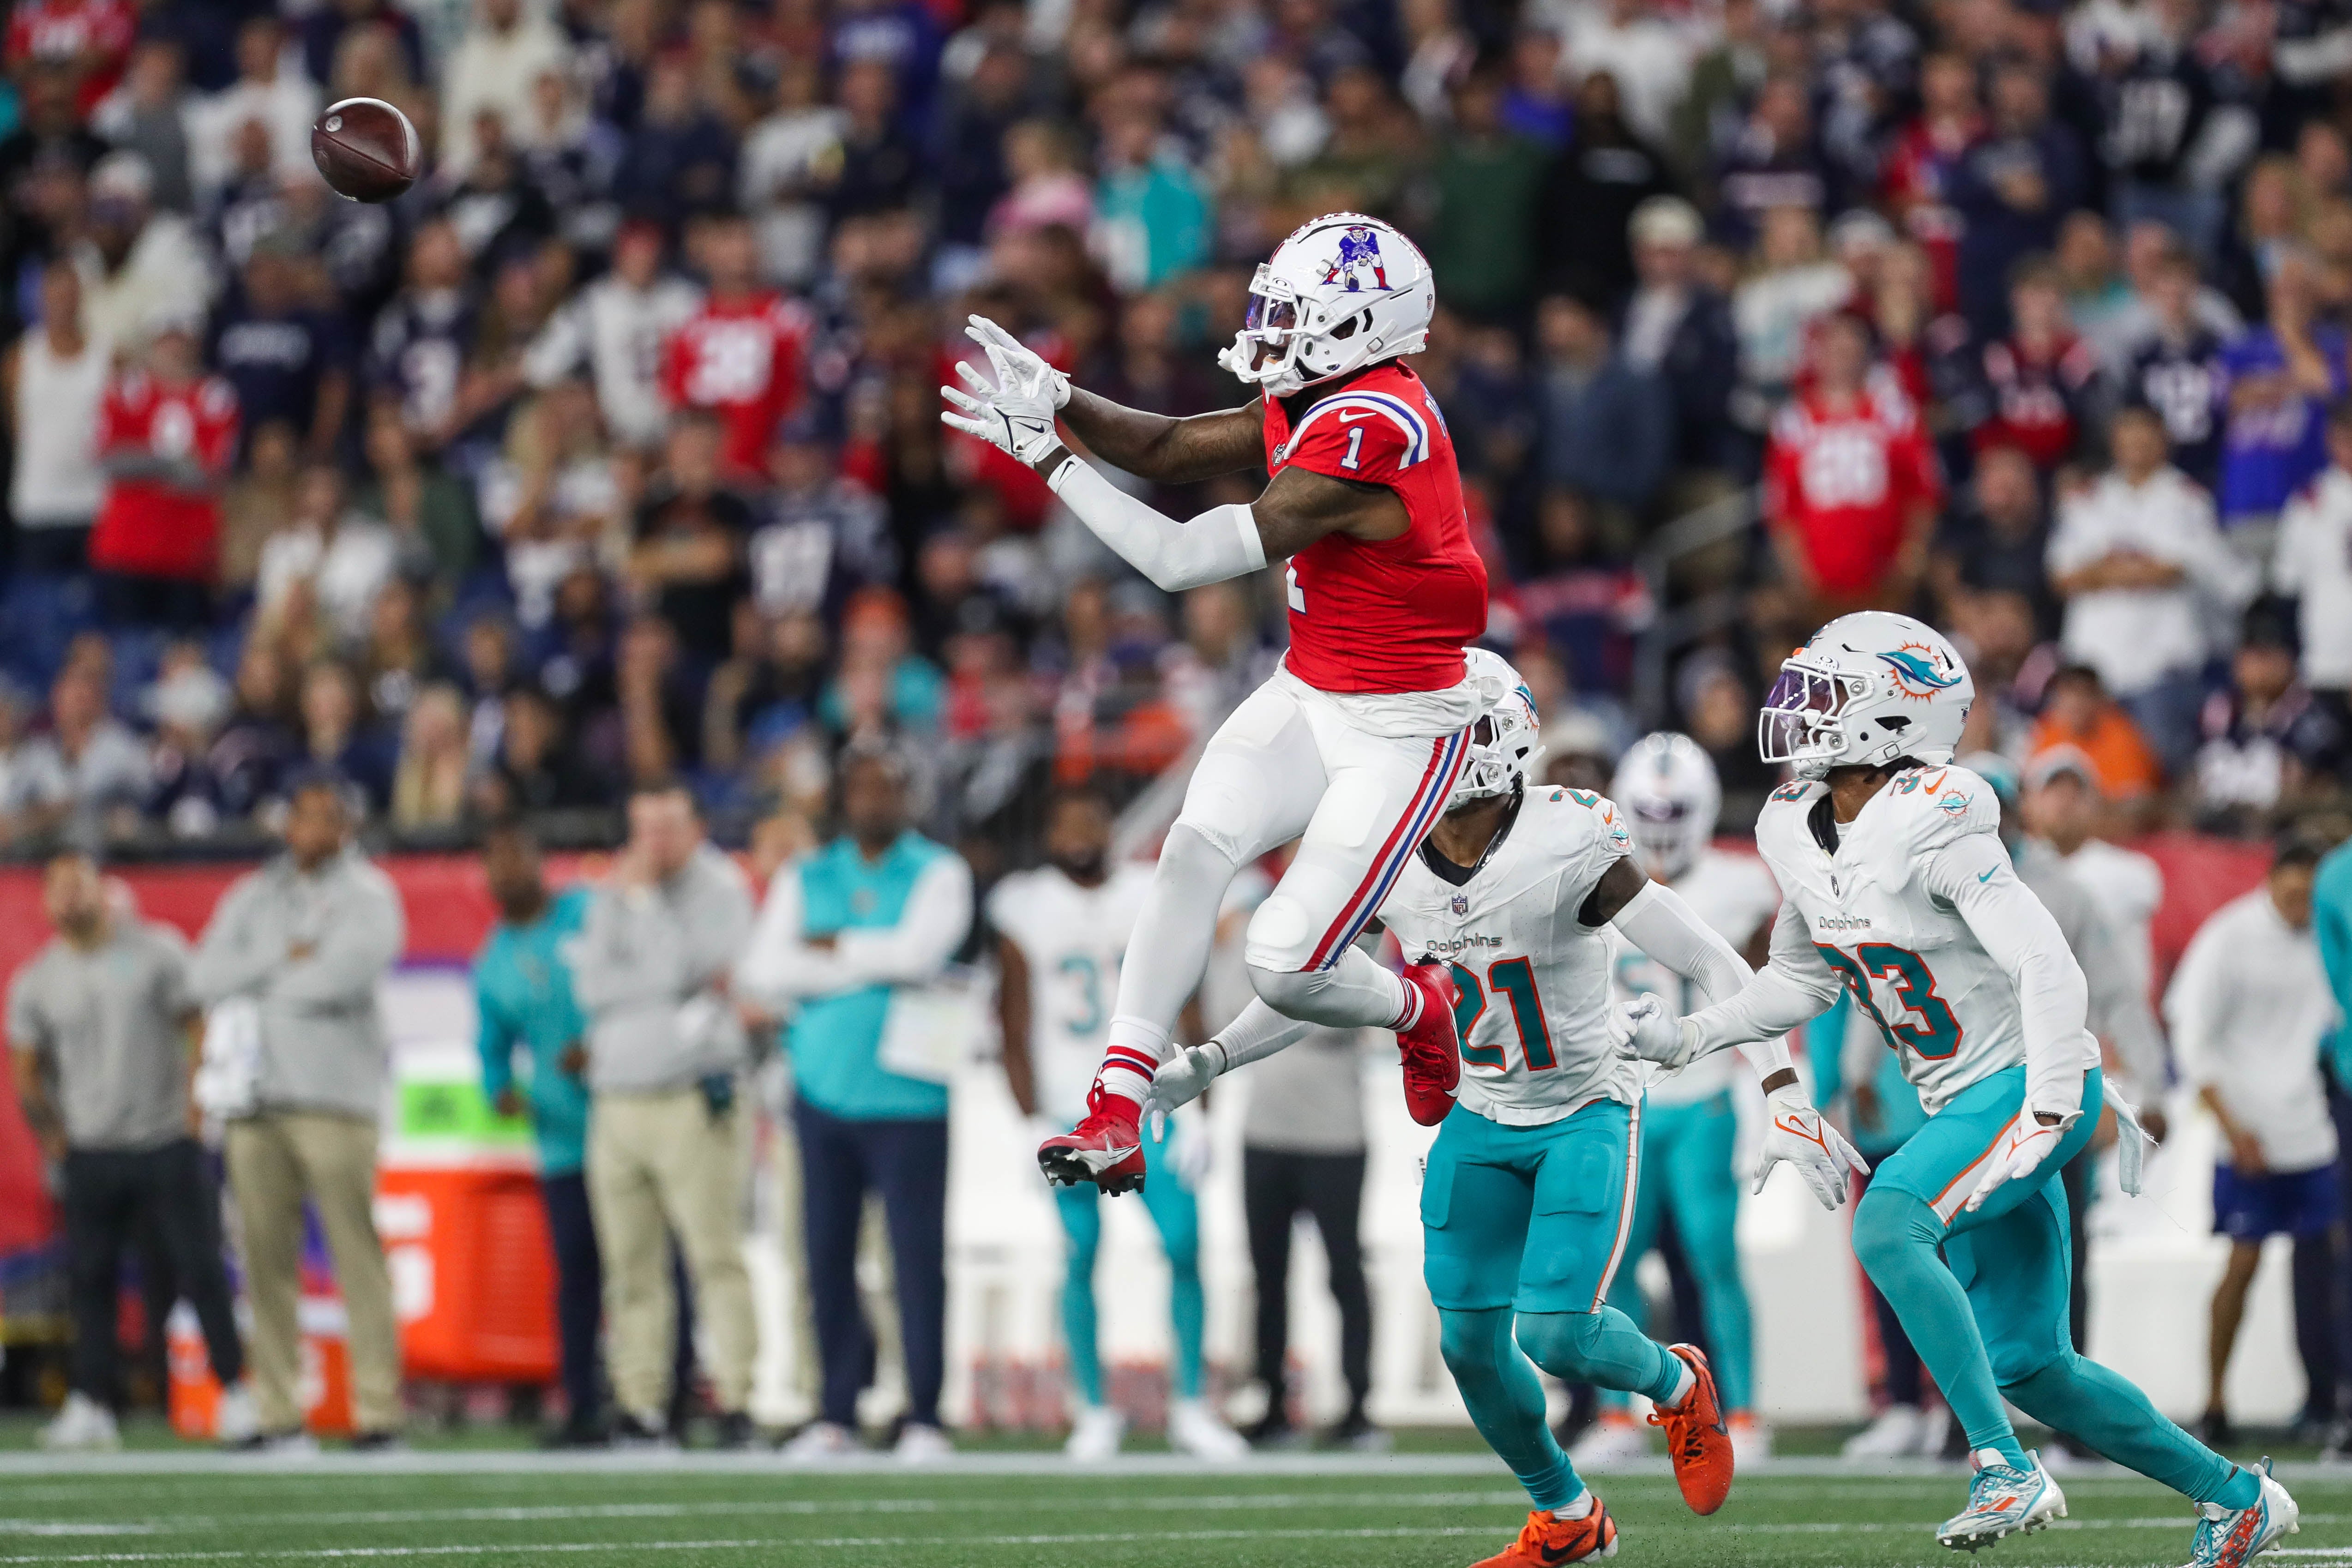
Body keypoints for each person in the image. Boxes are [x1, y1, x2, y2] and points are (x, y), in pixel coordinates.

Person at [1150, 650, 1862, 1567]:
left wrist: (1779, 1089)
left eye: (1431, 729)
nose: (1408, 748)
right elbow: (1306, 983)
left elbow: (1716, 964)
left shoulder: (1567, 839)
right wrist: (1209, 1060)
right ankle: (1567, 1513)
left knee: (1554, 1331)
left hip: (1583, 1105)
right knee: (1471, 1348)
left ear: (1490, 741)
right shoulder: (1386, 848)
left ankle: (1672, 1377)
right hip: (1478, 1114)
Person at [1615, 611, 2296, 1565]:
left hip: (2023, 1088)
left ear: (1892, 718)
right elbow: (1800, 978)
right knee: (2034, 1364)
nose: (1798, 709)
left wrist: (2052, 1108)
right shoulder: (1791, 824)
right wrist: (1688, 1034)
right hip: (1961, 1102)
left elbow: (2048, 965)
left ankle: (2002, 1464)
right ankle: (2237, 1499)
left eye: (1826, 693)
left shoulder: (1937, 815)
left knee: (1886, 1224)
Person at [944, 213, 1492, 1198]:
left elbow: (1181, 559)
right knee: (1191, 849)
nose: (1270, 330)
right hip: (1311, 686)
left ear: (1361, 328)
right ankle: (1117, 1107)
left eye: (1295, 315)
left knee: (1284, 965)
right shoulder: (1321, 394)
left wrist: (1053, 459)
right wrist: (1063, 397)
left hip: (1404, 726)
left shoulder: (1374, 427)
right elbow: (1166, 446)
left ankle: (1418, 1008)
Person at [987, 785, 1245, 1460]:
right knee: (1079, 1253)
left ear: (1110, 827)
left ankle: (1191, 1403)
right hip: (1068, 1109)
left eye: (1090, 817)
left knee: (1185, 1244)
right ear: (1047, 834)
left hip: (1147, 1101)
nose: (1079, 831)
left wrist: (1203, 1110)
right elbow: (1011, 1017)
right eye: (1066, 819)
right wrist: (1022, 1120)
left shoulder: (1147, 889)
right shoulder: (1023, 904)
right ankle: (1094, 1408)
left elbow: (1186, 994)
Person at [734, 745, 972, 1461]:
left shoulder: (940, 870)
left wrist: (832, 948)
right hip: (822, 1091)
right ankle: (834, 1409)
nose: (873, 799)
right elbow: (763, 969)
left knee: (916, 1259)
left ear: (907, 795)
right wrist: (872, 958)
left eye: (886, 786)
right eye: (861, 787)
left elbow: (920, 956)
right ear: (843, 796)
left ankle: (925, 1413)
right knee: (824, 1257)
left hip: (911, 1098)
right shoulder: (807, 873)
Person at [1578, 734, 1779, 1469]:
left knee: (1715, 1257)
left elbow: (1769, 987)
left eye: (1676, 810)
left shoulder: (1742, 884)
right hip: (1627, 1101)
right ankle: (1619, 1414)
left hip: (1701, 1098)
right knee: (1614, 1266)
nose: (1663, 823)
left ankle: (1747, 1410)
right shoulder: (1592, 873)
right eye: (1651, 810)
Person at [190, 771, 407, 1450]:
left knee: (356, 1255)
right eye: (302, 816)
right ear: (288, 824)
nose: (312, 829)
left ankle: (378, 1410)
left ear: (345, 826)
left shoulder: (370, 896)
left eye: (326, 817)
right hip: (256, 1101)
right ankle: (280, 1410)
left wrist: (260, 977)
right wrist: (288, 955)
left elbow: (344, 975)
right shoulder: (254, 894)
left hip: (336, 1098)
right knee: (263, 1260)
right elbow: (204, 977)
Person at [10, 851, 253, 1450]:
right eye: (58, 886)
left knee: (200, 1266)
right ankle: (92, 1401)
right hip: (91, 1149)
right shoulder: (38, 978)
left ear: (100, 889)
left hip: (164, 1138)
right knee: (88, 1278)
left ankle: (236, 1392)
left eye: (78, 882)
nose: (69, 895)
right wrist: (54, 1135)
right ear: (45, 902)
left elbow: (199, 1023)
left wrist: (199, 1105)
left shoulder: (156, 949)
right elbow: (25, 1067)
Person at [569, 778, 759, 1448]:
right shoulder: (608, 892)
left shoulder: (721, 889)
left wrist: (645, 905)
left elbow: (692, 965)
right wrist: (651, 967)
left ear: (697, 828)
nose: (652, 842)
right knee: (631, 1265)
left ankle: (738, 1397)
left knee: (714, 1254)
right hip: (617, 1097)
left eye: (667, 827)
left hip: (690, 1095)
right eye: (642, 827)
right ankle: (641, 1402)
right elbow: (592, 987)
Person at [2168, 838, 2341, 1446]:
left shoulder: (2326, 938)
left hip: (2311, 1129)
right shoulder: (2228, 937)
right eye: (2291, 893)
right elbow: (2193, 1039)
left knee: (2328, 1264)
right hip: (2247, 1129)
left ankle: (2326, 1397)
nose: (2299, 905)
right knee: (2242, 1263)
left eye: (2308, 895)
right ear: (2271, 882)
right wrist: (2232, 1125)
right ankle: (2214, 1399)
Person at [473, 820, 603, 1447]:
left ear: (542, 858)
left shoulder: (590, 911)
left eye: (517, 857)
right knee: (576, 1273)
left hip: (629, 1114)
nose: (508, 873)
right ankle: (582, 1402)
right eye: (496, 863)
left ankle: (668, 1394)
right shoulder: (494, 959)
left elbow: (634, 979)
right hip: (560, 1135)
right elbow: (491, 1045)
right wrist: (498, 1086)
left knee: (649, 1266)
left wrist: (605, 1043)